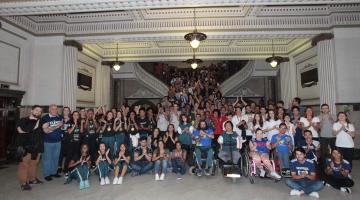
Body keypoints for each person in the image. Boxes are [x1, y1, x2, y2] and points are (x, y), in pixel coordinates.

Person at [16, 105, 44, 190]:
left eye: (40, 111)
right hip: (26, 147)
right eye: (36, 110)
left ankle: (32, 179)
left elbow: (43, 132)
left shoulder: (40, 121)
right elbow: (20, 131)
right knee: (24, 165)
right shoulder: (23, 120)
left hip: (37, 147)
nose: (38, 112)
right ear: (32, 111)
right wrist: (35, 126)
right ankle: (23, 183)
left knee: (33, 164)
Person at [41, 104, 63, 181]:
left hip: (58, 141)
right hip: (47, 142)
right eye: (53, 109)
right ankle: (47, 174)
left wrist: (51, 128)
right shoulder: (45, 118)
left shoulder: (60, 117)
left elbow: (62, 125)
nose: (55, 110)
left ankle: (54, 172)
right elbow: (46, 130)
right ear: (49, 110)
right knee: (47, 159)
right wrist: (57, 126)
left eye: (56, 109)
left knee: (55, 158)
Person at [64, 111, 83, 176]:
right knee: (69, 156)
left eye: (77, 115)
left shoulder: (79, 122)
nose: (76, 116)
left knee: (75, 156)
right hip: (71, 142)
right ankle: (66, 171)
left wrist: (81, 124)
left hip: (77, 142)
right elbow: (69, 132)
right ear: (72, 116)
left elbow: (81, 131)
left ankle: (72, 169)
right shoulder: (69, 122)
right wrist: (74, 124)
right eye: (74, 115)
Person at [58, 107, 71, 176]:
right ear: (63, 111)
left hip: (68, 139)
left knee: (68, 154)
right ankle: (59, 167)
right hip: (60, 139)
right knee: (60, 154)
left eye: (67, 110)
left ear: (69, 112)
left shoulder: (71, 120)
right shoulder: (59, 118)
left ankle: (65, 167)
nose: (66, 111)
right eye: (65, 110)